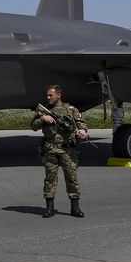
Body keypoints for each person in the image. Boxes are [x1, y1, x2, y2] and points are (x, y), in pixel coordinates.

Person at [31, 84, 88, 218]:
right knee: (50, 179)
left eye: (51, 95)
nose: (48, 97)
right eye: (47, 95)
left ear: (59, 95)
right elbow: (33, 126)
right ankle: (50, 208)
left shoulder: (70, 110)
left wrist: (82, 131)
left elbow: (81, 123)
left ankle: (75, 208)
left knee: (72, 179)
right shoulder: (43, 111)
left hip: (68, 150)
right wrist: (42, 119)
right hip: (50, 149)